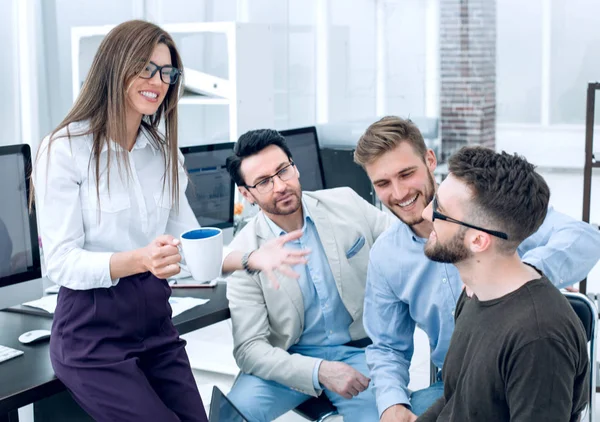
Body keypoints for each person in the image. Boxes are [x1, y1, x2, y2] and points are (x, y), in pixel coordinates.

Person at [353, 116, 600, 421]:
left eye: (406, 174)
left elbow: (585, 239)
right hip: (458, 381)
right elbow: (390, 348)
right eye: (383, 183)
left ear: (430, 160)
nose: (401, 193)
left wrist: (521, 279)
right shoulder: (455, 291)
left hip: (514, 375)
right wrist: (393, 404)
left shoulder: (489, 208)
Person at [34, 20, 208, 422]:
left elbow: (189, 237)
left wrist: (252, 258)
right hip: (92, 338)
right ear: (116, 66)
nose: (159, 81)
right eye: (146, 68)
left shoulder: (162, 153)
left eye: (167, 72)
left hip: (156, 326)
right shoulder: (64, 150)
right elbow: (59, 262)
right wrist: (141, 260)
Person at [223, 129, 393, 422]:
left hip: (359, 352)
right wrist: (319, 371)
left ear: (295, 166)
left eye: (283, 171)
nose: (280, 186)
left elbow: (401, 243)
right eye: (264, 182)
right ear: (246, 194)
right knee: (232, 416)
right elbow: (249, 349)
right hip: (290, 360)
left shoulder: (346, 203)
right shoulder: (245, 254)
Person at [418, 146, 589, 421]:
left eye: (440, 208)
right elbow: (456, 401)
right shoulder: (475, 293)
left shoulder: (539, 338)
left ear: (478, 240)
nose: (426, 214)